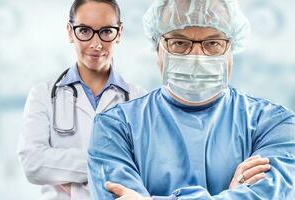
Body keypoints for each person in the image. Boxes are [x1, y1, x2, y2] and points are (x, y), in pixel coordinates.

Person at [87, 0, 295, 199]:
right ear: (157, 47)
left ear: (232, 47)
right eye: (179, 43)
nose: (197, 57)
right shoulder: (115, 127)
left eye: (213, 43)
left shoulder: (274, 124)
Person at [17, 0, 147, 199]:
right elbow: (33, 164)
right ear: (70, 32)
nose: (96, 44)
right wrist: (111, 162)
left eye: (106, 32)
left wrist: (72, 182)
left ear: (119, 33)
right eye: (85, 31)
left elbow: (146, 169)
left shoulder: (139, 100)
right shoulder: (42, 95)